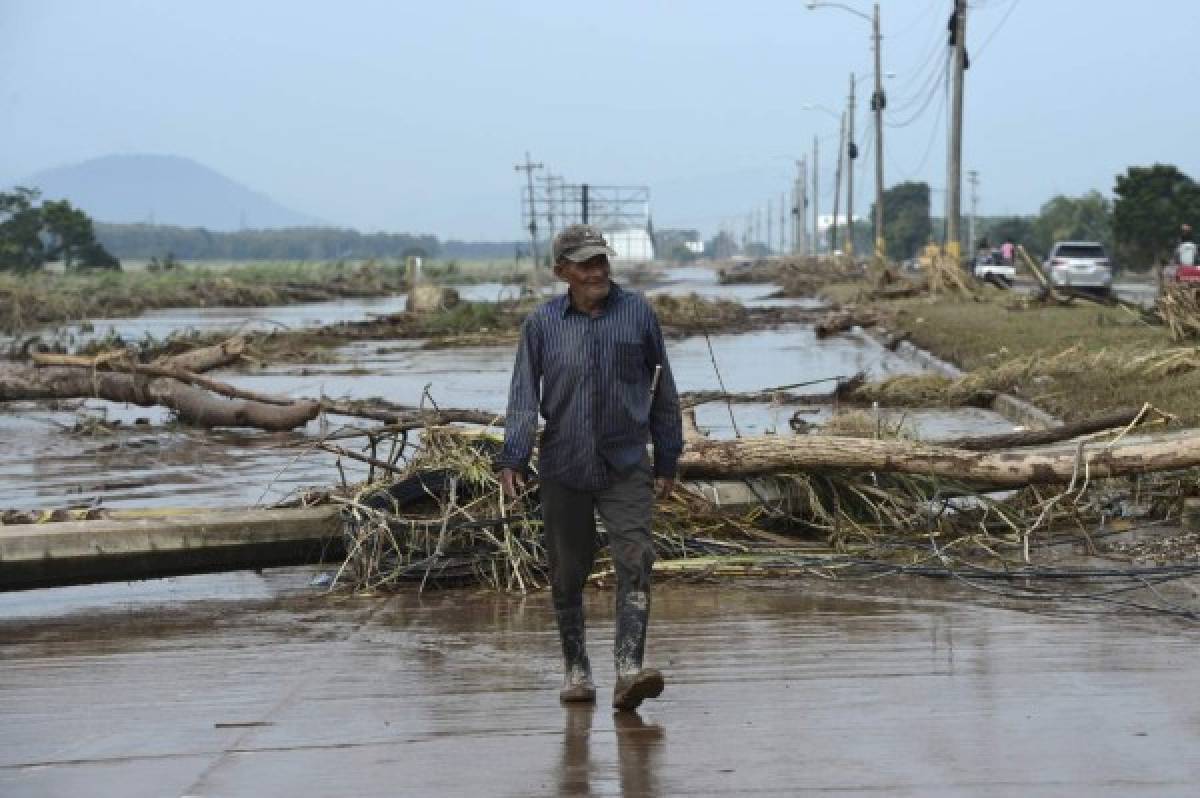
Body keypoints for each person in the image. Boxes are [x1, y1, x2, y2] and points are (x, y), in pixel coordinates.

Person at [495, 223, 683, 711]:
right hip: (564, 464)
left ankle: (628, 671)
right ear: (562, 272)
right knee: (567, 572)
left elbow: (662, 390)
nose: (598, 270)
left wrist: (668, 458)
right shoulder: (541, 326)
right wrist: (512, 457)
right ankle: (577, 671)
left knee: (636, 558)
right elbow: (522, 399)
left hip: (626, 463)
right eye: (586, 263)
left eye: (602, 260)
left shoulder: (637, 314)